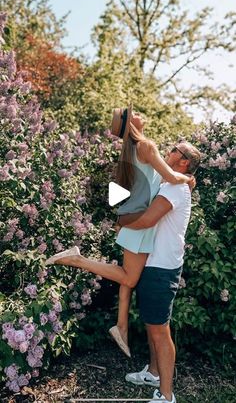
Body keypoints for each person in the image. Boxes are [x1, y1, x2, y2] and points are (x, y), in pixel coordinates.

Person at [46, 105, 195, 358]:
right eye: (134, 114)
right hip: (138, 225)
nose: (139, 113)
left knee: (128, 277)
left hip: (135, 222)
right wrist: (188, 179)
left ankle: (121, 328)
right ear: (131, 124)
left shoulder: (133, 149)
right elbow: (170, 176)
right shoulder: (146, 146)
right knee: (128, 278)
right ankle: (76, 259)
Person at [118, 141, 201, 403]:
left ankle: (166, 396)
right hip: (154, 264)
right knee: (152, 324)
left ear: (184, 161)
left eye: (177, 148)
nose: (171, 149)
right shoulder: (173, 182)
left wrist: (121, 223)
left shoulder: (176, 188)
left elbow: (147, 220)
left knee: (160, 332)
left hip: (161, 268)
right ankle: (154, 373)